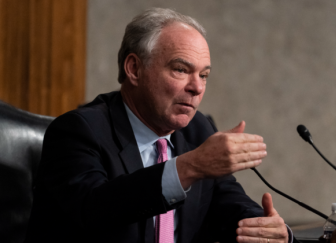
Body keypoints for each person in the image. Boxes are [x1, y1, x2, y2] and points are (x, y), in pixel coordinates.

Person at [25, 8, 296, 243]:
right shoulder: (79, 131)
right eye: (181, 69)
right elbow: (94, 210)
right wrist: (188, 168)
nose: (197, 87)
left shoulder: (198, 130)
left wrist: (268, 229)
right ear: (134, 69)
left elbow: (229, 204)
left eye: (204, 75)